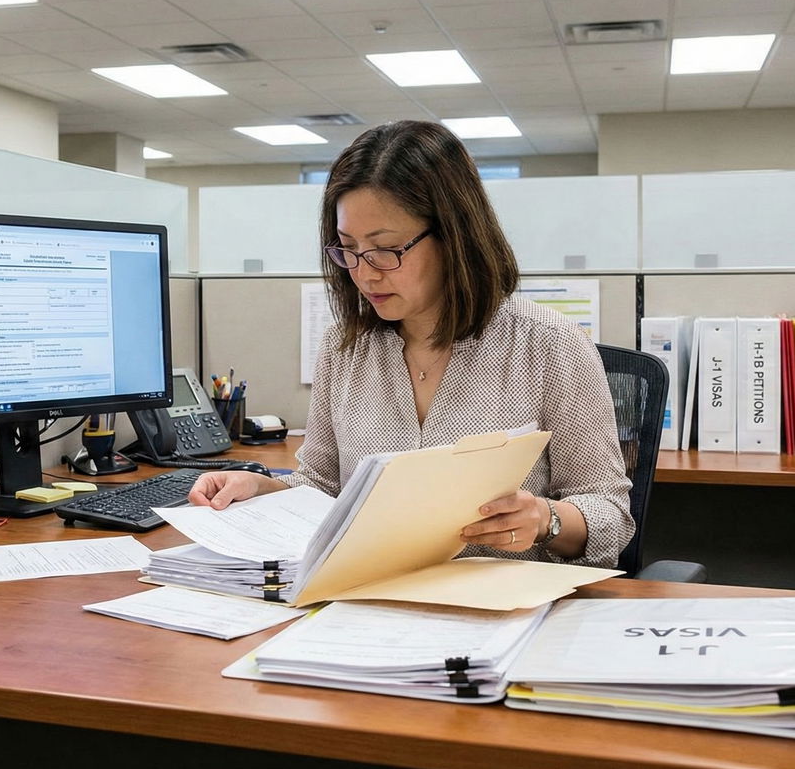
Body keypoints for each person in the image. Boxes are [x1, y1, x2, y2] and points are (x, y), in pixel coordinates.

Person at [187, 120, 634, 567]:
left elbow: (610, 515)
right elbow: (323, 487)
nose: (363, 272)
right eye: (347, 249)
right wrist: (263, 487)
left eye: (385, 249)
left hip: (503, 608)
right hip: (367, 601)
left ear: (454, 237)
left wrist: (544, 518)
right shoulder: (345, 350)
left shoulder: (549, 344)